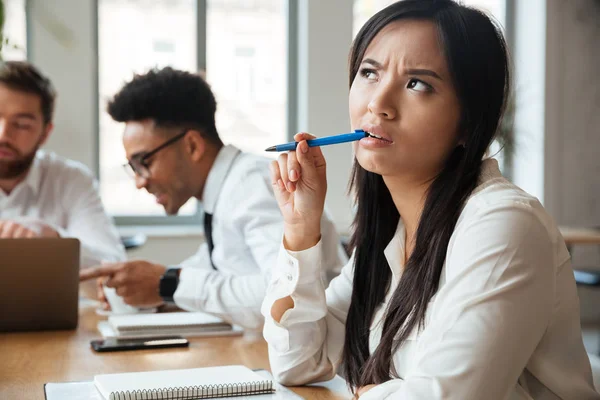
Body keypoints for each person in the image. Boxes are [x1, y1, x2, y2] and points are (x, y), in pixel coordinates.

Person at [262, 1, 599, 399]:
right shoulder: (393, 230)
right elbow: (297, 363)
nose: (378, 104)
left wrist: (366, 395)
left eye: (417, 83)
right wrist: (301, 230)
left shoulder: (504, 224)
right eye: (369, 73)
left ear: (468, 123)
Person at [79, 67, 347, 331]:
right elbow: (212, 271)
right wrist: (140, 285)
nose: (139, 181)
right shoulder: (224, 194)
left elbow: (287, 295)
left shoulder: (251, 185)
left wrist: (168, 283)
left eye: (143, 162)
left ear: (192, 145)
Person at [0, 61, 125, 267]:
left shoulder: (71, 180)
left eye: (22, 125)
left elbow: (112, 265)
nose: (3, 134)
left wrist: (56, 241)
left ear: (45, 133)